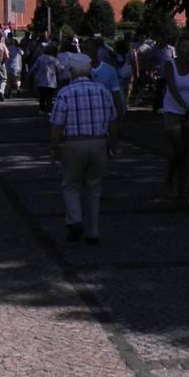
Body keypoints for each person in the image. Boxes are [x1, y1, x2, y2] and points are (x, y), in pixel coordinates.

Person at [48, 52, 119, 244]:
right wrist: (112, 144)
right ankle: (94, 232)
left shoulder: (65, 93)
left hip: (74, 143)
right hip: (99, 142)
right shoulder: (103, 91)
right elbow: (113, 121)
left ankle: (76, 220)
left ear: (72, 71)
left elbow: (57, 125)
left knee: (71, 185)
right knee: (94, 187)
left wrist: (53, 148)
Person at [160, 40, 189, 202]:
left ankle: (181, 188)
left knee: (187, 151)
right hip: (173, 110)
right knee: (179, 149)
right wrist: (184, 106)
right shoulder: (170, 64)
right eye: (183, 46)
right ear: (177, 49)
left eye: (188, 47)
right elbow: (172, 88)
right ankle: (169, 177)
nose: (186, 50)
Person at [33, 44, 60, 113]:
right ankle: (49, 110)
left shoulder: (40, 58)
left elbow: (34, 68)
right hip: (51, 81)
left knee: (42, 96)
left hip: (41, 81)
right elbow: (59, 68)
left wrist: (35, 75)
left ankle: (41, 109)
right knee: (49, 97)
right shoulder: (54, 59)